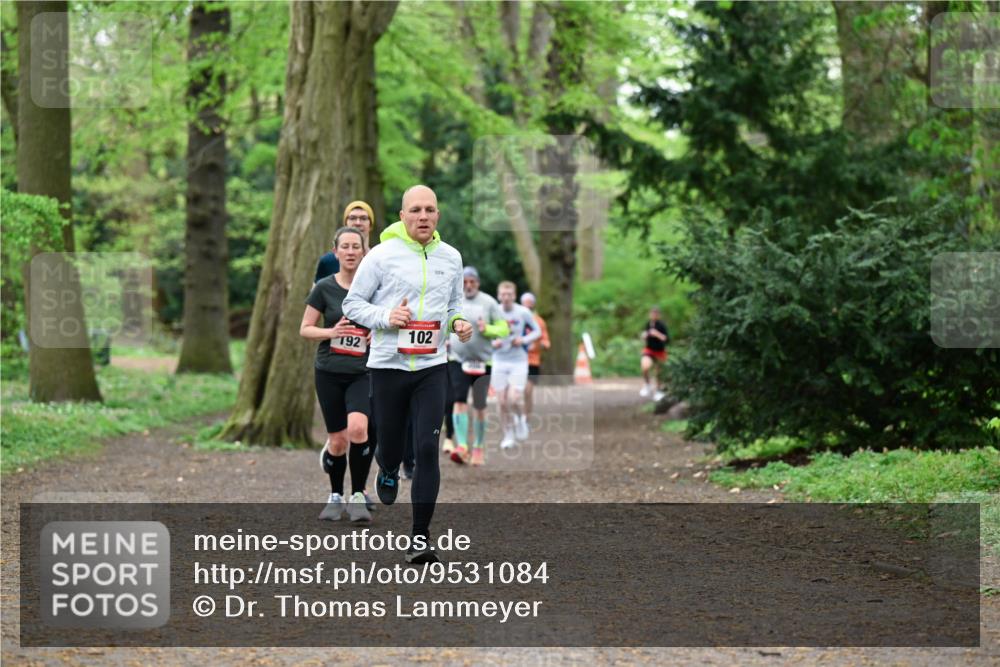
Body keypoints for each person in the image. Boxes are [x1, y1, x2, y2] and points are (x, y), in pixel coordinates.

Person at [343, 185, 473, 565]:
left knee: (428, 448)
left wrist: (459, 323)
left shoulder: (451, 257)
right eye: (415, 209)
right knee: (392, 444)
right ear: (402, 216)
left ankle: (420, 537)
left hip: (433, 365)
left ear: (438, 216)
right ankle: (386, 465)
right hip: (387, 365)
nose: (423, 216)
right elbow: (353, 304)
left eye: (430, 210)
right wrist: (386, 317)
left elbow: (453, 306)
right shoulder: (381, 256)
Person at [300, 227, 374, 524]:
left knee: (358, 430)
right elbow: (305, 328)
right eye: (345, 246)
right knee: (338, 441)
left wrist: (376, 334)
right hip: (329, 371)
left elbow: (386, 321)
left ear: (363, 251)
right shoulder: (324, 288)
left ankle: (357, 496)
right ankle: (334, 496)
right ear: (336, 252)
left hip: (363, 371)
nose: (351, 251)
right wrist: (331, 332)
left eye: (356, 246)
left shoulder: (374, 288)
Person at [447, 266, 509, 466]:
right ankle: (462, 445)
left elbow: (504, 329)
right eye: (465, 281)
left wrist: (487, 328)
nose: (468, 285)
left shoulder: (489, 302)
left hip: (483, 362)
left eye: (472, 281)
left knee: (480, 406)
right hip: (458, 359)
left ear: (478, 283)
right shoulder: (454, 300)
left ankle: (479, 447)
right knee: (459, 400)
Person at [491, 281, 541, 450]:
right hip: (498, 360)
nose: (506, 298)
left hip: (518, 361)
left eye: (509, 295)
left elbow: (537, 331)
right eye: (503, 295)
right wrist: (493, 342)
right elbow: (483, 332)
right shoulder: (494, 311)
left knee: (513, 398)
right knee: (502, 401)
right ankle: (508, 435)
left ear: (514, 296)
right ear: (498, 296)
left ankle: (520, 420)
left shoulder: (523, 312)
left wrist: (523, 340)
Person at [315, 201, 375, 283]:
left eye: (363, 218)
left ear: (370, 225)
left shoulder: (378, 260)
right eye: (352, 218)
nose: (358, 223)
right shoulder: (328, 261)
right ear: (345, 223)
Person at [519, 291, 549, 422]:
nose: (527, 306)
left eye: (530, 304)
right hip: (516, 360)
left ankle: (526, 417)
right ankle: (516, 417)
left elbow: (546, 341)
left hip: (533, 361)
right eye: (525, 304)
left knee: (527, 390)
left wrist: (541, 345)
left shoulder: (539, 322)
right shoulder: (516, 319)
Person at [640, 306, 670, 401]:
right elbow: (645, 335)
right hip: (649, 350)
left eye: (655, 314)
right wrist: (644, 335)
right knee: (645, 366)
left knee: (658, 373)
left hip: (660, 351)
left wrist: (657, 334)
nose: (653, 315)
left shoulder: (662, 325)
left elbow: (667, 339)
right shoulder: (648, 324)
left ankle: (658, 391)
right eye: (652, 313)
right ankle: (647, 384)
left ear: (658, 315)